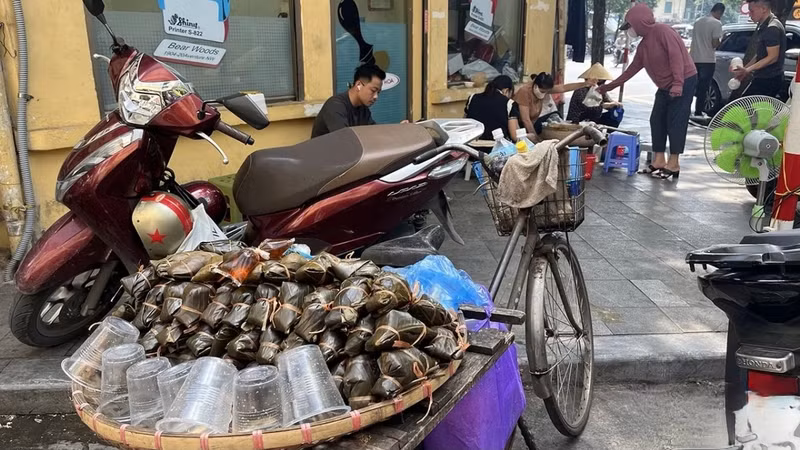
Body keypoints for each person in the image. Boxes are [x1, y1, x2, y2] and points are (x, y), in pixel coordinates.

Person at [598, 3, 697, 180]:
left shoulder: (663, 31)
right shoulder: (644, 46)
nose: (629, 30)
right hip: (665, 86)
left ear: (639, 22)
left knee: (675, 121)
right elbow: (632, 69)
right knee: (656, 119)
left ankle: (673, 164)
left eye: (630, 26)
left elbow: (676, 57)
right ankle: (659, 160)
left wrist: (678, 83)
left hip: (684, 80)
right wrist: (608, 87)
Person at [311, 64, 385, 138]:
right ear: (358, 85)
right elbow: (344, 139)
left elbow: (373, 131)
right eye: (373, 90)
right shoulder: (335, 106)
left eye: (378, 92)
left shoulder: (363, 109)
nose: (376, 97)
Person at [732, 0, 786, 98]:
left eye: (752, 11)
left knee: (745, 106)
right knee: (747, 106)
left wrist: (747, 70)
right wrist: (745, 70)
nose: (749, 15)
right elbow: (761, 54)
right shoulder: (766, 25)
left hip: (769, 79)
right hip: (763, 77)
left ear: (764, 9)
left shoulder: (772, 28)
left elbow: (772, 57)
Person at [515, 73, 594, 136]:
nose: (544, 94)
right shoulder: (524, 92)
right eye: (542, 91)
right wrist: (535, 138)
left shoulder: (544, 88)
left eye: (546, 92)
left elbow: (563, 88)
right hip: (519, 127)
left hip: (533, 123)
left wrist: (584, 84)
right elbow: (525, 120)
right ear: (535, 86)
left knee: (555, 114)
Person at [690, 3, 725, 118]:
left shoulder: (698, 21)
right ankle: (698, 112)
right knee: (703, 87)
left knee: (691, 86)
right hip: (708, 60)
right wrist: (721, 40)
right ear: (720, 12)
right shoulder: (717, 23)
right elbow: (714, 44)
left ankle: (685, 109)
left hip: (694, 58)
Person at [464, 75, 521, 141]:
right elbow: (515, 136)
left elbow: (465, 122)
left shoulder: (473, 98)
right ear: (506, 91)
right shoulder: (509, 103)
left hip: (470, 144)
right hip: (496, 147)